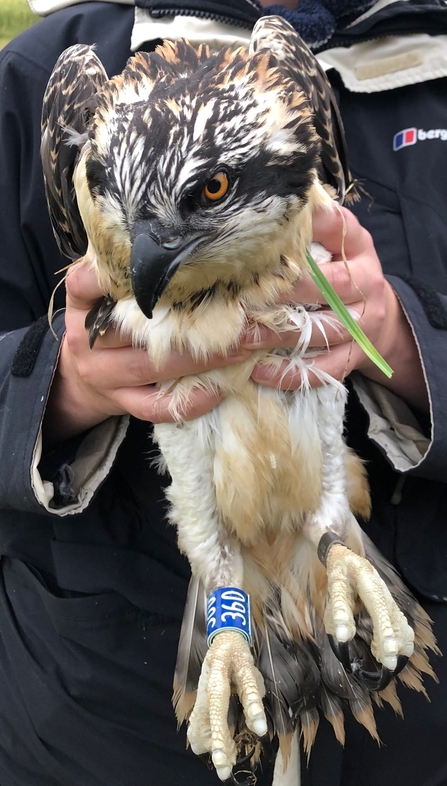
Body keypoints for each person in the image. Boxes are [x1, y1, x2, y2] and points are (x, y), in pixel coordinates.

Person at [0, 1, 446, 785]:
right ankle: (232, 616)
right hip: (102, 726)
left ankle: (329, 541)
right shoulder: (53, 70)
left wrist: (405, 347)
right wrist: (59, 388)